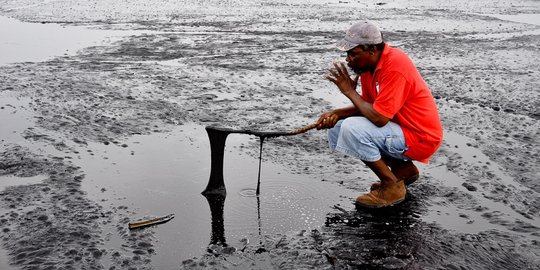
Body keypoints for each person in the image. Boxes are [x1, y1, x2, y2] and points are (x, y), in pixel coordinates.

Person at [316, 20, 443, 208]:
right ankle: (402, 170)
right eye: (347, 54)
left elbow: (379, 118)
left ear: (372, 50)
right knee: (338, 127)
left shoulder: (395, 66)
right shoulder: (368, 68)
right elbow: (369, 107)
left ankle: (391, 186)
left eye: (353, 54)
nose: (349, 59)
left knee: (352, 129)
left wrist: (350, 92)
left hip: (420, 136)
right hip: (401, 128)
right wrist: (336, 114)